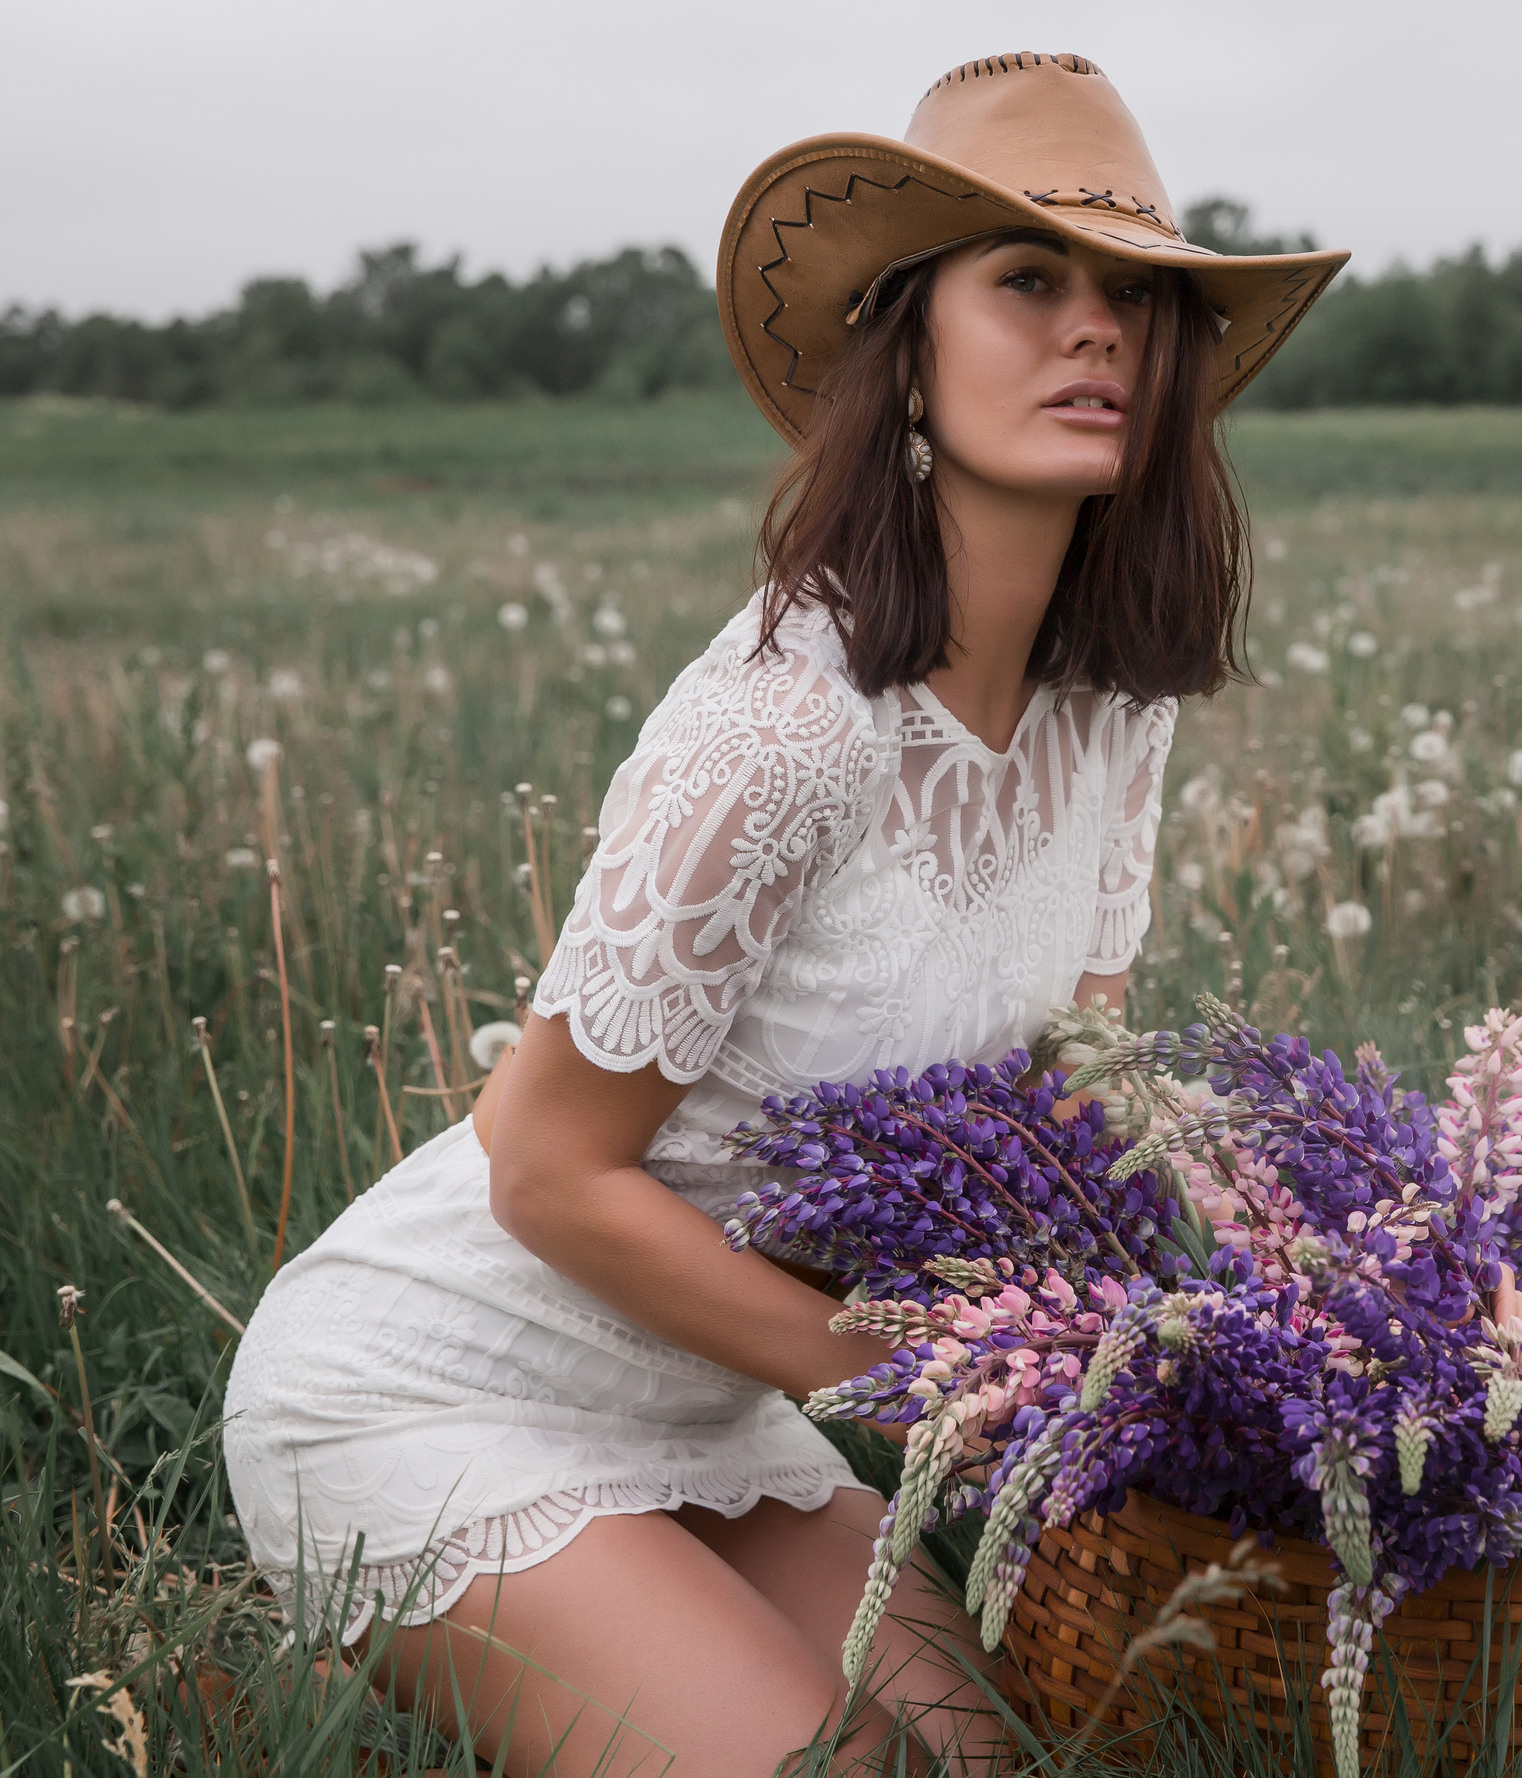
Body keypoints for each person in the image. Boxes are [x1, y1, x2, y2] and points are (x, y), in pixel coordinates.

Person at [221, 52, 1346, 1777]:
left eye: (1134, 294)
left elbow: (1076, 1103)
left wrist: (1284, 1298)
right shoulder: (791, 720)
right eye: (1027, 279)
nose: (1097, 329)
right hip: (431, 1389)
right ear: (907, 350)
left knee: (1016, 1756)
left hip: (716, 1409)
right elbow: (542, 1168)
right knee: (853, 1768)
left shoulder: (1111, 716)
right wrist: (927, 1380)